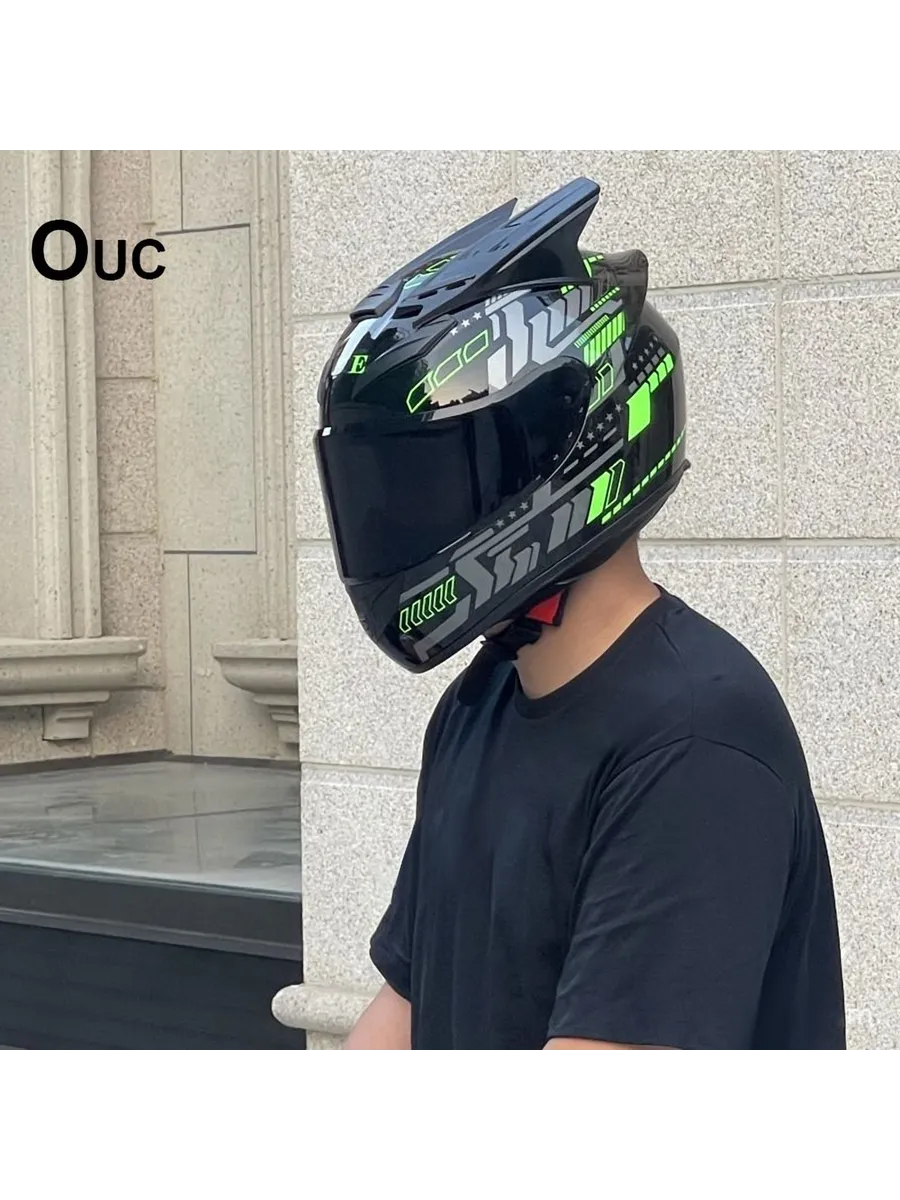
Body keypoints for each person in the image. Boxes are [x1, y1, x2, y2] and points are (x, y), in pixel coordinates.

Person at [314, 178, 846, 1054]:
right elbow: (405, 1005)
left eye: (429, 484)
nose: (398, 522)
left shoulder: (696, 738)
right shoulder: (480, 704)